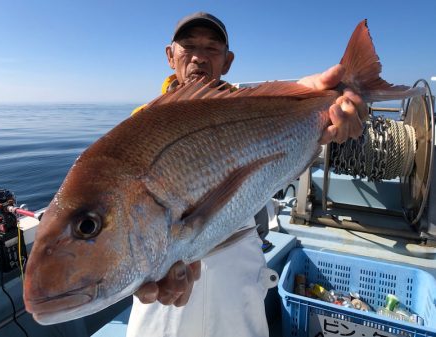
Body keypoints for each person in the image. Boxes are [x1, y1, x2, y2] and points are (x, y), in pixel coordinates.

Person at [126, 12, 367, 337]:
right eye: (188, 46)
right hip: (166, 287)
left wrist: (342, 106)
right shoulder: (143, 124)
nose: (199, 56)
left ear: (227, 61)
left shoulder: (252, 104)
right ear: (170, 56)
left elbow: (299, 105)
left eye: (212, 48)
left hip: (235, 268)